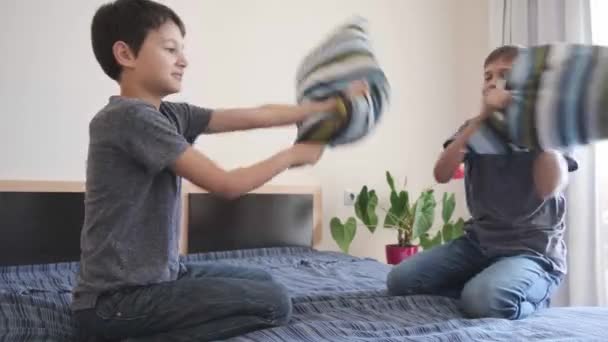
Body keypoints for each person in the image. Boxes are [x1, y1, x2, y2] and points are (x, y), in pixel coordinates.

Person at [71, 0, 367, 340]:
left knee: (266, 282)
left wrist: (325, 106)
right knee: (274, 302)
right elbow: (226, 184)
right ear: (125, 54)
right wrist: (292, 156)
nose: (184, 60)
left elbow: (254, 115)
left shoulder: (169, 115)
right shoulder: (128, 119)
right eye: (170, 49)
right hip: (117, 302)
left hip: (163, 276)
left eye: (182, 50)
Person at [386, 45, 578, 320]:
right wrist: (480, 120)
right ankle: (482, 287)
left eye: (504, 74)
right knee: (400, 281)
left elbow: (551, 187)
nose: (493, 81)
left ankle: (523, 296)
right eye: (487, 76)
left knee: (483, 302)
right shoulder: (472, 128)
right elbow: (441, 173)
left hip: (533, 252)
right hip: (477, 245)